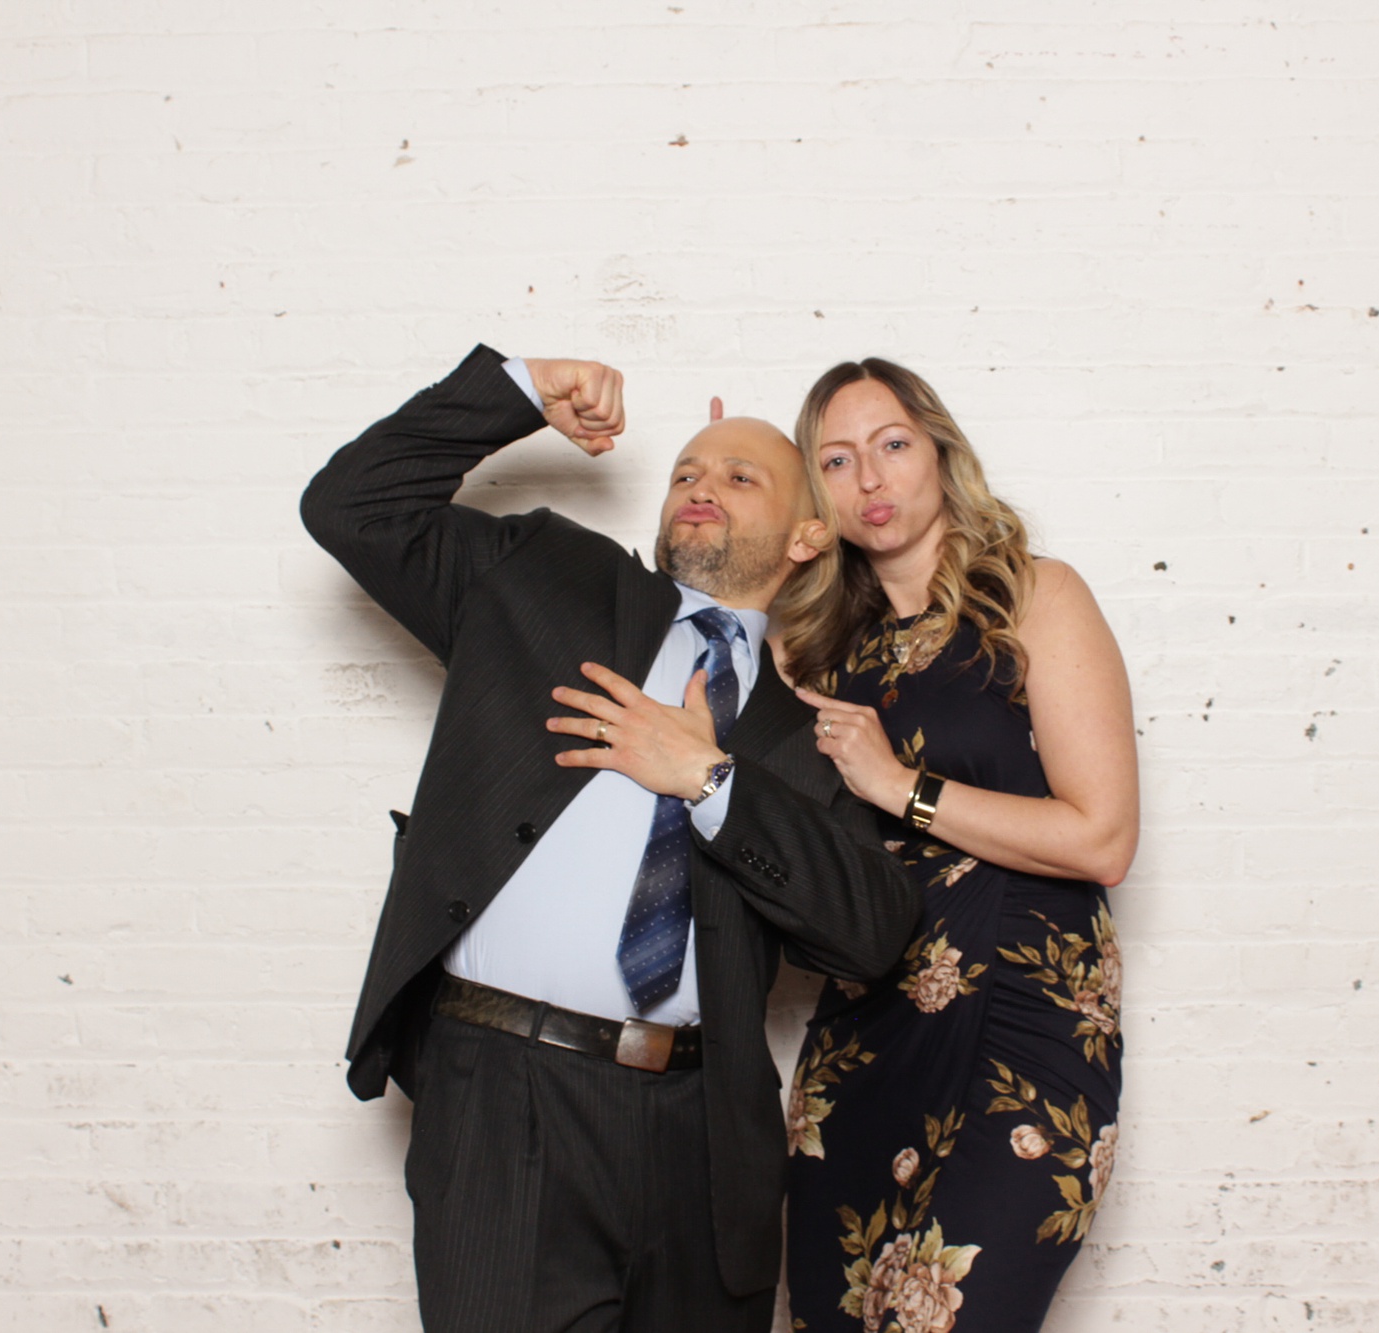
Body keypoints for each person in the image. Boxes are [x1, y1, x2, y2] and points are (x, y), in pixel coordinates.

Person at [300, 345, 921, 1333]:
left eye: (738, 474)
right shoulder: (547, 581)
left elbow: (871, 933)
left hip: (702, 1139)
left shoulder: (810, 734)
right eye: (684, 471)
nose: (698, 486)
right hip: (506, 1097)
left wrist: (709, 779)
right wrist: (514, 393)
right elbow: (349, 506)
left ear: (810, 534)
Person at [776, 359, 1139, 1333]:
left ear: (938, 451)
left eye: (892, 445)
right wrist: (756, 531)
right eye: (837, 461)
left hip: (1021, 1017)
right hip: (863, 1036)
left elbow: (1101, 838)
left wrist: (899, 788)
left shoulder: (1033, 599)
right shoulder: (815, 652)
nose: (870, 480)